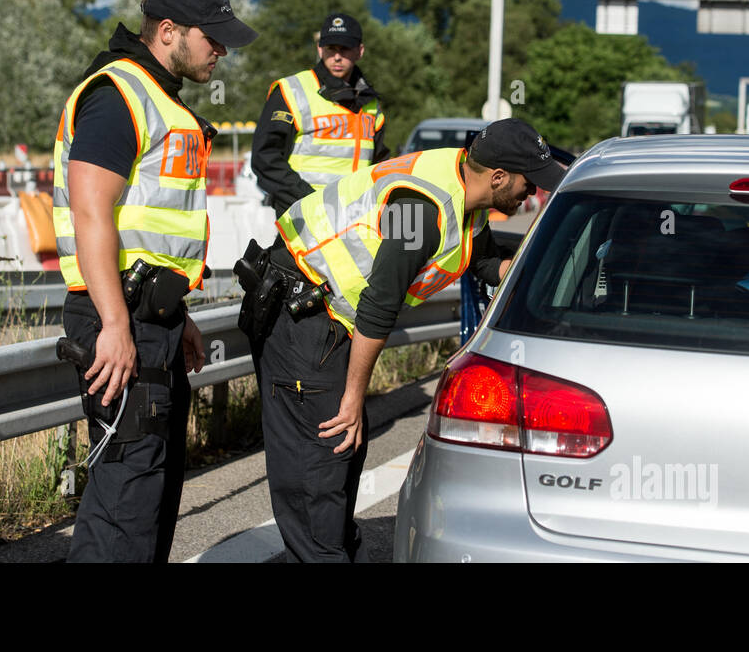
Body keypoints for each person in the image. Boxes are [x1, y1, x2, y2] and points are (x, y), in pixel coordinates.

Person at [242, 118, 564, 562]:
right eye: (530, 184)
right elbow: (380, 304)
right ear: (498, 177)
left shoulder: (464, 191)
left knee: (345, 455)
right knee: (320, 463)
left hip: (328, 319)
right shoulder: (419, 208)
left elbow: (486, 263)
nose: (533, 194)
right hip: (299, 312)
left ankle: (334, 549)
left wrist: (545, 262)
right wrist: (355, 396)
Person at [53, 0, 257, 563]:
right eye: (211, 37)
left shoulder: (158, 97)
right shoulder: (118, 95)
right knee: (125, 496)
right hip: (117, 318)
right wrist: (116, 325)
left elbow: (152, 234)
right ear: (168, 31)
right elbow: (92, 211)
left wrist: (179, 316)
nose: (220, 50)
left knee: (152, 494)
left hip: (151, 318)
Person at [251, 13, 388, 216]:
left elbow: (379, 162)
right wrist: (309, 201)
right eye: (331, 49)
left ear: (360, 51)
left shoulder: (370, 103)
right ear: (319, 49)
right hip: (303, 214)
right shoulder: (292, 90)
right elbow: (265, 158)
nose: (337, 57)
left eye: (345, 49)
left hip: (356, 217)